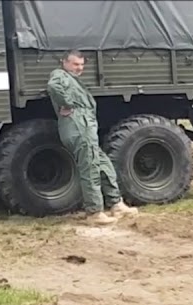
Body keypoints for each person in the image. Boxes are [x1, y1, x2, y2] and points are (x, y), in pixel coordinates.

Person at [46, 50, 138, 226]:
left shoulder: (73, 80)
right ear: (64, 63)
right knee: (90, 168)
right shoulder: (60, 75)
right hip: (77, 127)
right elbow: (53, 86)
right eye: (75, 64)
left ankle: (116, 204)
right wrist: (67, 103)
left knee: (103, 164)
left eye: (81, 65)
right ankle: (94, 212)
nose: (79, 68)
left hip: (85, 128)